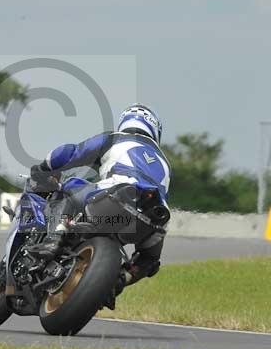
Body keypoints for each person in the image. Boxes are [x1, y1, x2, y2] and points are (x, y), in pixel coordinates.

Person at [29, 103, 171, 287]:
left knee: (70, 186)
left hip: (120, 192)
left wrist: (43, 169)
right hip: (156, 216)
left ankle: (52, 239)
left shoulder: (116, 138)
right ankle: (118, 282)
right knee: (148, 260)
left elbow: (70, 153)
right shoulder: (165, 161)